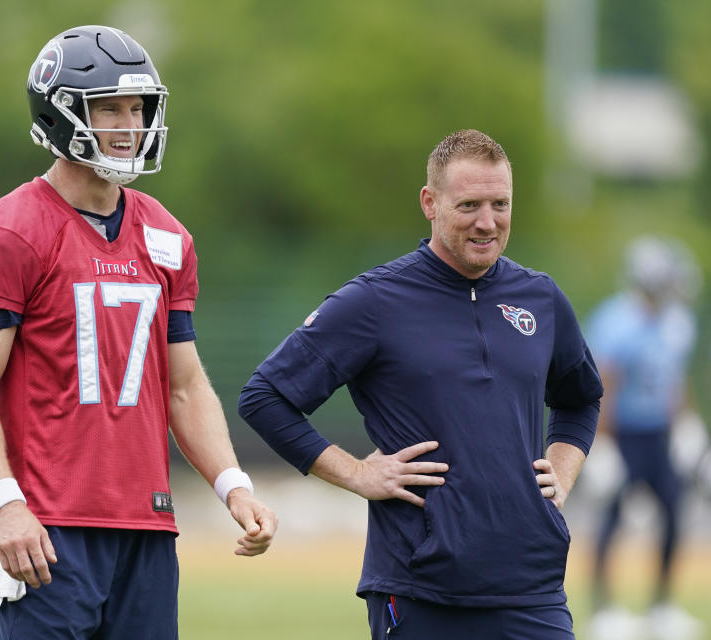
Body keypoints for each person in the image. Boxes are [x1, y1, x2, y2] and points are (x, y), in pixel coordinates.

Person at [0, 25, 276, 639]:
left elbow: (184, 384)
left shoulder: (169, 236)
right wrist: (5, 504)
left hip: (148, 525)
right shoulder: (9, 232)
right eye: (109, 108)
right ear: (62, 112)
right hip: (49, 528)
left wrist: (234, 485)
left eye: (137, 107)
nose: (129, 124)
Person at [238, 129, 603, 638]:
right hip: (420, 589)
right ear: (430, 203)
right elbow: (265, 398)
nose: (487, 222)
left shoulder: (540, 297)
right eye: (469, 204)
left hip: (534, 589)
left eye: (501, 204)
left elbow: (582, 397)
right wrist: (357, 473)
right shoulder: (374, 301)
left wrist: (561, 473)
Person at [584, 236, 704, 640]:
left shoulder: (676, 320)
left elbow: (674, 379)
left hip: (660, 433)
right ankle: (604, 608)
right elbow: (605, 385)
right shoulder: (617, 320)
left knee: (674, 512)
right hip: (624, 433)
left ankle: (662, 606)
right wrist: (600, 443)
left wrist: (686, 422)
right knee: (613, 516)